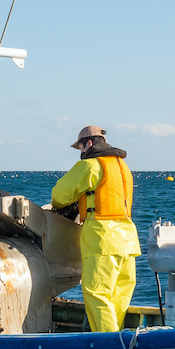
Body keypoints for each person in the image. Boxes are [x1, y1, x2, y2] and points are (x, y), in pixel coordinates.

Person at [51, 125, 139, 332]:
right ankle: (119, 339)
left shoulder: (91, 165)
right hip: (127, 239)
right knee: (119, 294)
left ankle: (108, 344)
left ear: (88, 144)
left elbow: (59, 196)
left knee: (97, 293)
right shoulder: (123, 166)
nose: (81, 153)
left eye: (80, 147)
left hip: (102, 238)